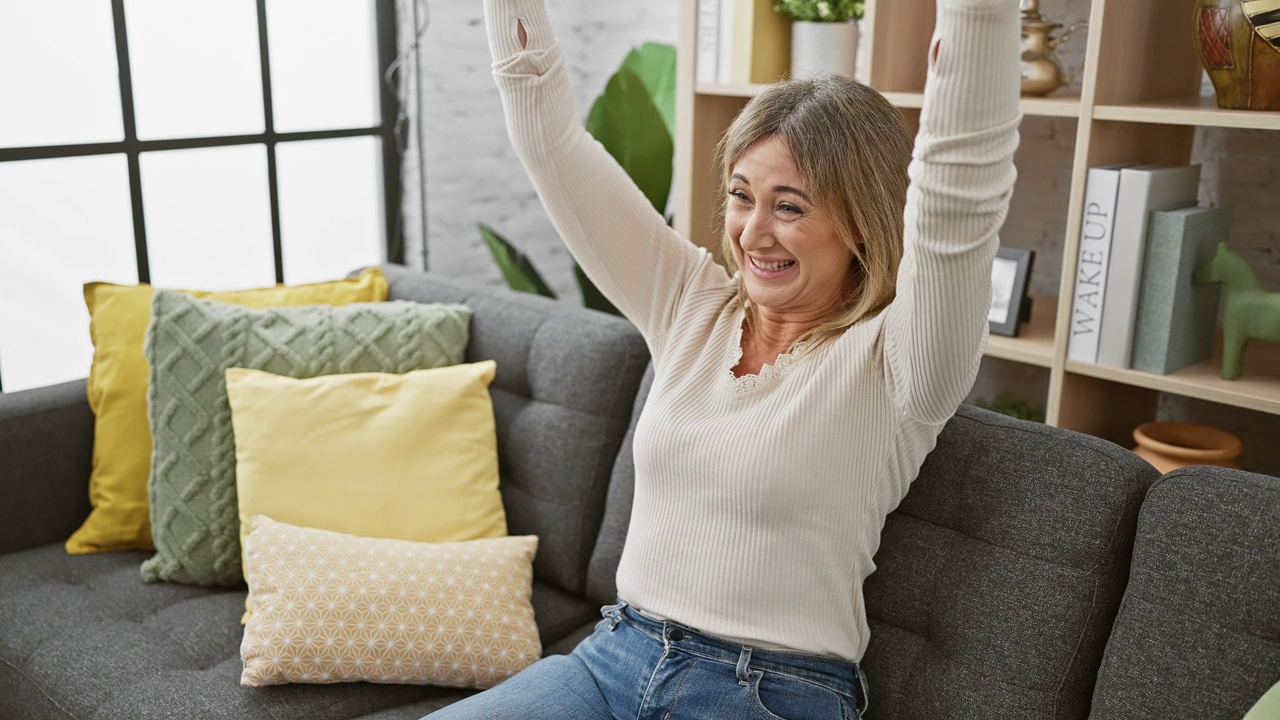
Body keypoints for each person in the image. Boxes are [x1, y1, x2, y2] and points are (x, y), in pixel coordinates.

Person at [429, 0, 1021, 716]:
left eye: (791, 206)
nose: (753, 233)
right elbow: (551, 144)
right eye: (742, 196)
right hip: (610, 661)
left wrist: (979, 14)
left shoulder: (901, 363)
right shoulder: (689, 303)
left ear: (863, 222)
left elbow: (961, 194)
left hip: (769, 693)